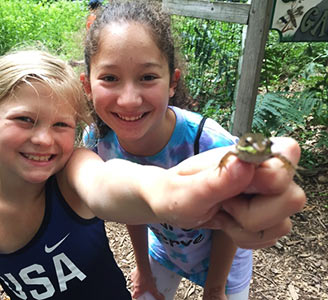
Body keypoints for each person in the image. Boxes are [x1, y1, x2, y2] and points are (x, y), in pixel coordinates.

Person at [0, 48, 292, 300]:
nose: (44, 139)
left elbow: (108, 183)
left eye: (61, 124)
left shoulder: (73, 175)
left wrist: (167, 192)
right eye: (24, 119)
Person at [80, 1, 306, 299]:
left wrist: (214, 288)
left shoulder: (211, 144)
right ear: (87, 86)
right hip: (164, 250)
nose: (130, 100)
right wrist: (143, 269)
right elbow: (130, 210)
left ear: (172, 82)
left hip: (225, 266)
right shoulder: (99, 142)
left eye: (147, 77)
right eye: (110, 78)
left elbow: (229, 226)